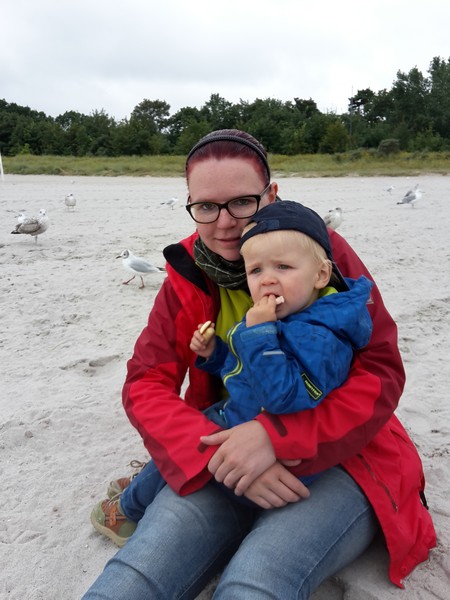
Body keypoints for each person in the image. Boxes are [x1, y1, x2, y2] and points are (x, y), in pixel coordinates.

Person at [82, 129, 435, 599]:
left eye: (242, 202)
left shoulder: (316, 251)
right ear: (190, 205)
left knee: (256, 581)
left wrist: (276, 437)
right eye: (206, 206)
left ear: (271, 194)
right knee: (136, 575)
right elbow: (146, 381)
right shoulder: (188, 271)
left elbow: (381, 371)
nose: (225, 223)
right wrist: (212, 452)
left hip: (341, 453)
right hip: (225, 449)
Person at [90, 201, 374, 542]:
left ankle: (127, 508)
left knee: (191, 447)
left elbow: (282, 397)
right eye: (255, 271)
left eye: (283, 267)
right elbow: (248, 374)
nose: (268, 279)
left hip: (268, 442)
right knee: (185, 441)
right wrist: (216, 354)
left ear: (321, 275)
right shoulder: (292, 317)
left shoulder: (320, 337)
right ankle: (143, 487)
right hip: (244, 418)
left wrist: (259, 333)